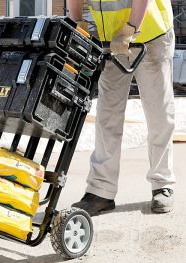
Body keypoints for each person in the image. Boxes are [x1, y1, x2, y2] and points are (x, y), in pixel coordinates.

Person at [68, 0, 176, 214]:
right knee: (107, 116)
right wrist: (77, 20)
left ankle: (162, 184)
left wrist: (131, 28)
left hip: (151, 33)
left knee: (158, 114)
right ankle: (101, 191)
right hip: (111, 40)